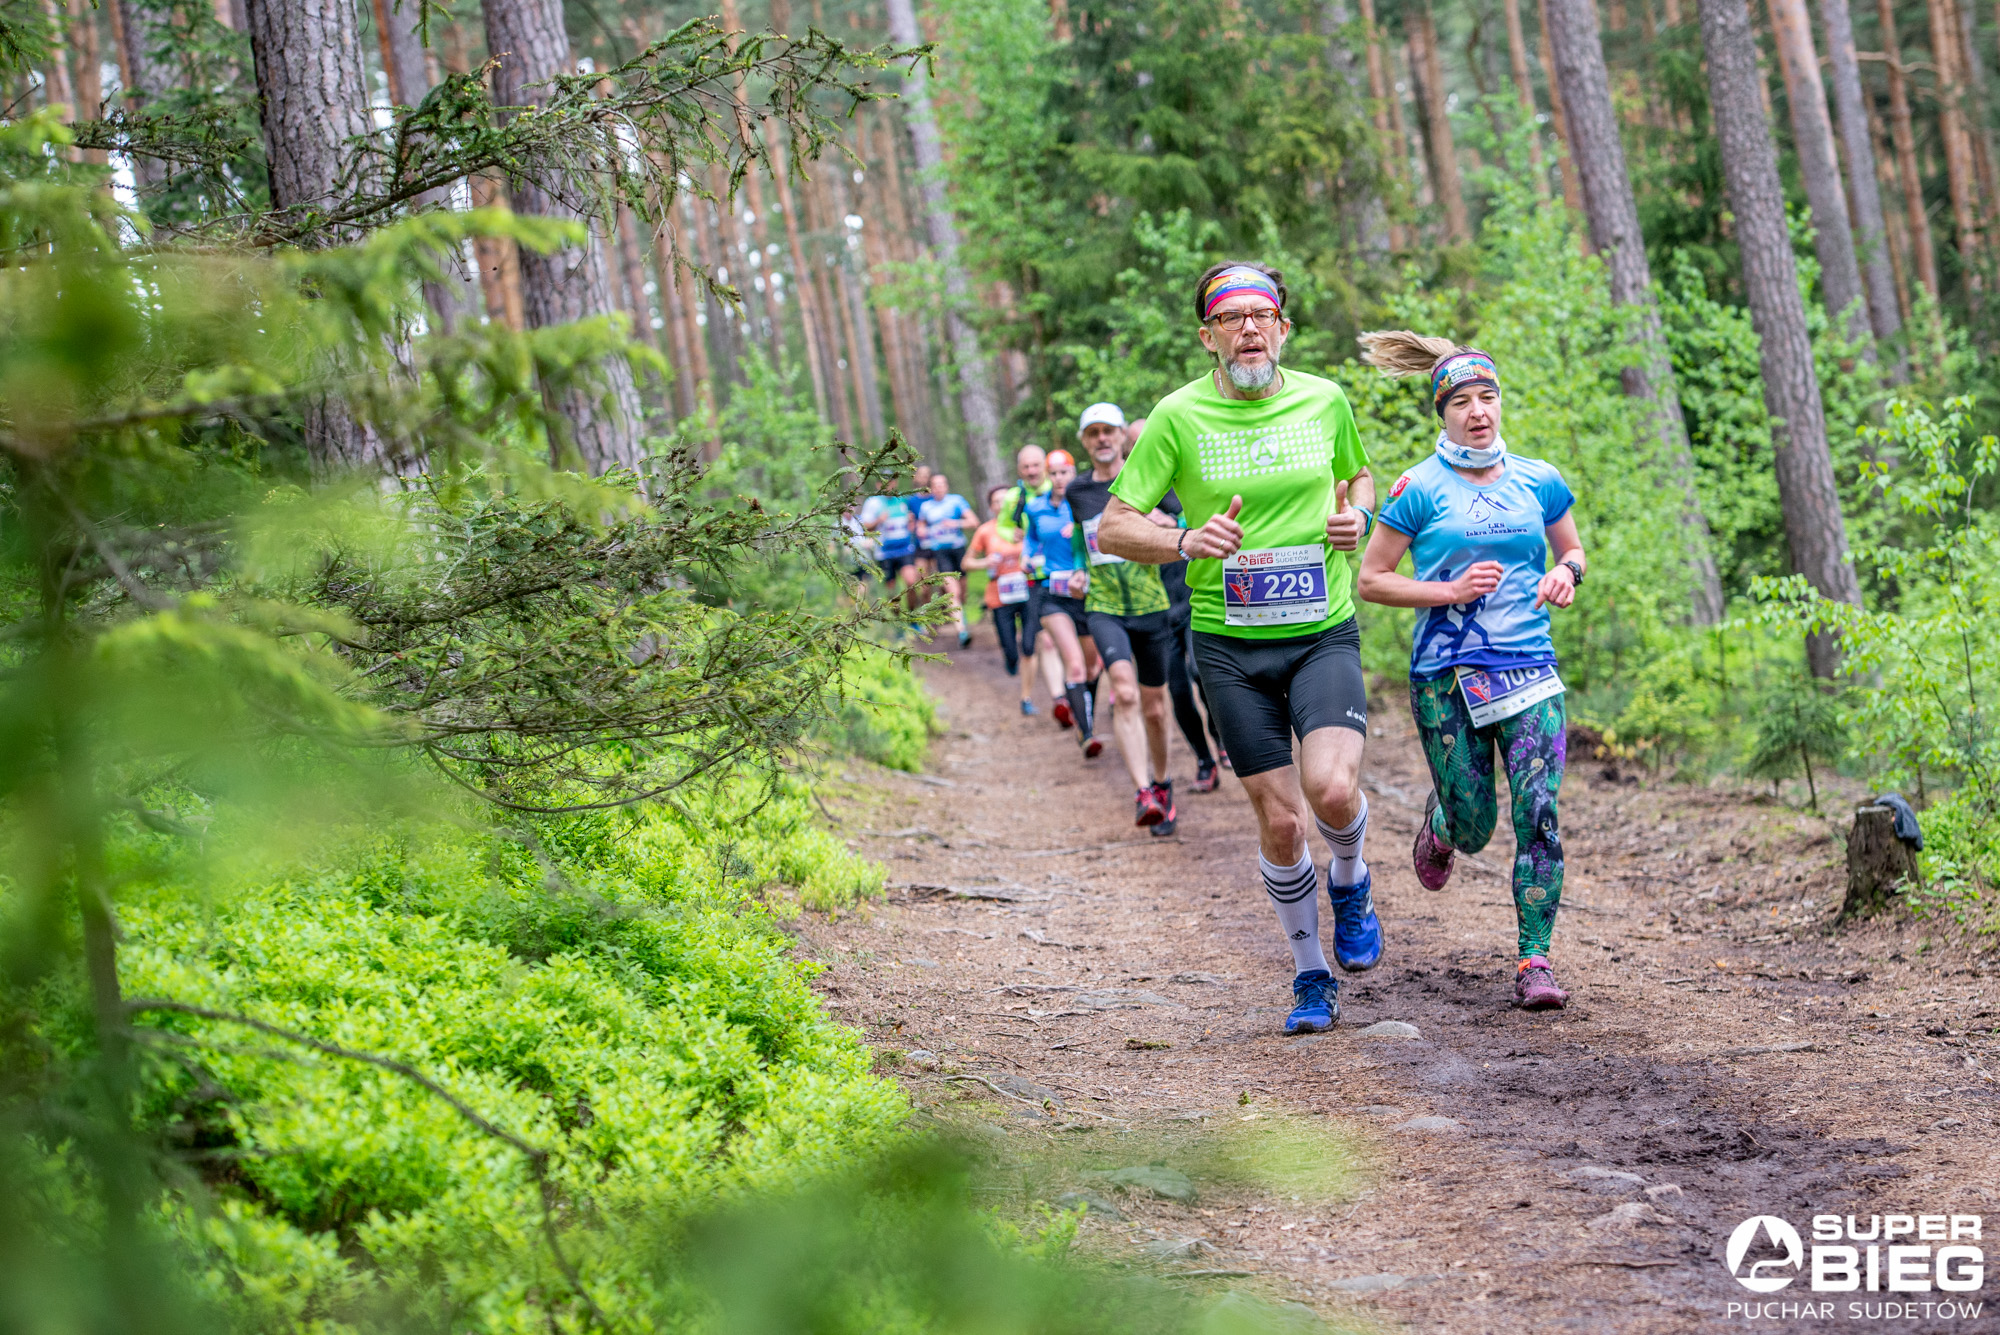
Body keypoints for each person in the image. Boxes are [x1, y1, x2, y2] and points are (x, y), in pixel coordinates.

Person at [1096, 260, 1378, 1036]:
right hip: (1228, 645)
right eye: (1232, 318)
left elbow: (1358, 478)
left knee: (1329, 790)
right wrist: (1184, 537)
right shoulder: (1177, 417)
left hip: (1322, 628)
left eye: (1263, 314)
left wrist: (1355, 516)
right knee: (1282, 822)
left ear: (1283, 327)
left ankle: (1351, 878)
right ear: (1208, 336)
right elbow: (1115, 526)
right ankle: (1310, 975)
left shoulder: (1325, 399)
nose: (1249, 328)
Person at [1354, 332, 1586, 1012]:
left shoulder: (1539, 479)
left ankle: (1534, 959)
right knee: (1478, 823)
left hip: (1529, 669)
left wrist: (1564, 574)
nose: (1477, 410)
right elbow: (1372, 580)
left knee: (1539, 813)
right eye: (1460, 401)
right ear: (1443, 412)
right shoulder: (1418, 487)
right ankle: (1445, 823)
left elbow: (1571, 550)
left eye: (1487, 396)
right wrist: (1450, 592)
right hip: (1445, 676)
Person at [1065, 403, 1180, 831]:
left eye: (1108, 431)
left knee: (1154, 707)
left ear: (1121, 436)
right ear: (1084, 441)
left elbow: (1185, 522)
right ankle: (1142, 791)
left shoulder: (1146, 479)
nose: (1102, 439)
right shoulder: (1077, 493)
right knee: (1126, 694)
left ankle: (1163, 781)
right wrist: (1079, 570)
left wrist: (1165, 521)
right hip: (1104, 606)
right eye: (1093, 432)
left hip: (1151, 605)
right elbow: (1081, 543)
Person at [1129, 416, 1230, 793]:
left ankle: (1222, 740)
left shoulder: (1187, 480)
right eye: (1134, 444)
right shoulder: (1130, 495)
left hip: (1193, 598)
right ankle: (1204, 760)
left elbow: (1212, 520)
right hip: (1155, 608)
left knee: (1201, 673)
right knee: (1175, 692)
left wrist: (1170, 523)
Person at [1022, 449, 1097, 754]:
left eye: (1064, 472)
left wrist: (1079, 530)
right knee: (1075, 665)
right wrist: (1027, 556)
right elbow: (1031, 539)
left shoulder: (1083, 502)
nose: (1058, 478)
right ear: (1047, 476)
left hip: (1087, 591)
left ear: (1073, 471)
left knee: (1092, 668)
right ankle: (1087, 733)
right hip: (1052, 592)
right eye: (1053, 473)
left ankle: (1084, 708)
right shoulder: (1035, 507)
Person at [965, 484, 1038, 715]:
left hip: (1027, 591)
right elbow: (965, 563)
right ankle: (1011, 658)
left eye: (1005, 500)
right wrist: (985, 563)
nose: (1001, 504)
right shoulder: (986, 531)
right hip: (999, 596)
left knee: (1029, 645)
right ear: (990, 507)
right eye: (996, 501)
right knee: (1010, 648)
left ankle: (1027, 696)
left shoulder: (1026, 525)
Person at [996, 446, 1050, 710]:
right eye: (1026, 467)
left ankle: (1067, 695)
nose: (1031, 471)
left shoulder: (1058, 490)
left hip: (1058, 575)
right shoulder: (1013, 498)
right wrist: (1013, 536)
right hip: (1029, 578)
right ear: (1020, 470)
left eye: (1035, 465)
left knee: (1053, 640)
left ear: (1045, 466)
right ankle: (1027, 698)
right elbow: (1003, 526)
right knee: (1030, 643)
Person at [917, 472, 977, 647]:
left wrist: (955, 523)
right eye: (935, 485)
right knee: (953, 592)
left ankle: (955, 617)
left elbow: (973, 522)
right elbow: (920, 527)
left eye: (942, 484)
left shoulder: (956, 501)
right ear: (931, 488)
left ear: (947, 486)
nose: (938, 487)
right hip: (940, 553)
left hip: (959, 550)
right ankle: (962, 632)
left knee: (962, 593)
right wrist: (922, 531)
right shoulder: (926, 507)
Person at [857, 477, 920, 615]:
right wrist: (879, 520)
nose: (888, 485)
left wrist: (912, 523)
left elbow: (914, 520)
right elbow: (865, 527)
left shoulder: (903, 499)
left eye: (891, 482)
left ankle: (912, 616)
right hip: (884, 552)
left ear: (895, 483)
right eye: (884, 482)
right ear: (878, 484)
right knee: (891, 590)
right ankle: (897, 621)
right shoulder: (873, 502)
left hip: (905, 549)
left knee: (911, 582)